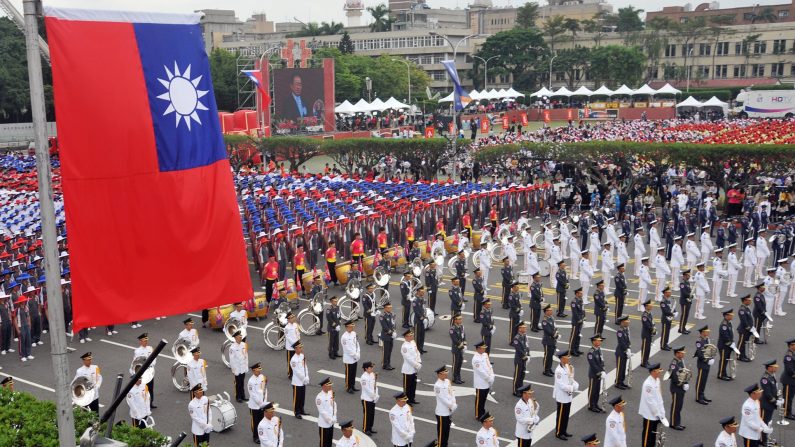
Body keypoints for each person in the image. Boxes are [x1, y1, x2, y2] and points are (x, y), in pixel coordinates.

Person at [639, 363, 669, 447]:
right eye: (658, 371)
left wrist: (662, 412)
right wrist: (658, 413)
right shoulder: (648, 384)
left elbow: (659, 397)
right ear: (653, 372)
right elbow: (650, 401)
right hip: (649, 414)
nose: (660, 373)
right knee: (647, 437)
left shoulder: (657, 380)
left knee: (653, 436)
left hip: (656, 414)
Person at [554, 350, 578, 440]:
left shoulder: (568, 367)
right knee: (561, 415)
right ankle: (559, 432)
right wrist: (572, 388)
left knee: (566, 414)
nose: (568, 359)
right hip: (562, 396)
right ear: (562, 359)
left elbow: (571, 378)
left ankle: (564, 430)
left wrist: (575, 384)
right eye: (566, 357)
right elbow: (561, 385)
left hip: (568, 395)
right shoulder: (558, 370)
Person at [434, 365, 457, 447]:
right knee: (441, 434)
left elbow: (452, 392)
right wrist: (451, 405)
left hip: (448, 411)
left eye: (446, 373)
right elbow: (442, 398)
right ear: (439, 375)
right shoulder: (437, 386)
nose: (446, 375)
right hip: (442, 412)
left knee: (447, 432)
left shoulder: (447, 381)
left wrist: (454, 402)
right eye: (444, 373)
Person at [759, 359, 781, 443]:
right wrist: (775, 401)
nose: (776, 368)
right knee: (763, 422)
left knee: (768, 421)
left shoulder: (771, 375)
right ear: (769, 368)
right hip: (766, 404)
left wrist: (777, 397)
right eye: (774, 367)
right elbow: (768, 394)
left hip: (770, 404)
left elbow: (774, 389)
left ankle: (766, 438)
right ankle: (762, 439)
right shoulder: (765, 379)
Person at [132, 333, 156, 408]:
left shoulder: (150, 348)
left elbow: (154, 358)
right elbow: (135, 362)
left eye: (146, 340)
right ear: (140, 341)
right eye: (144, 341)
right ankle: (143, 403)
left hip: (149, 371)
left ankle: (150, 403)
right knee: (143, 388)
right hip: (142, 372)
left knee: (150, 388)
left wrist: (151, 365)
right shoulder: (137, 351)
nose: (146, 342)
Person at [668, 346, 689, 431]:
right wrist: (682, 384)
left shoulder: (680, 361)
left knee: (679, 406)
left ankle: (677, 422)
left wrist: (686, 382)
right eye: (681, 353)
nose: (683, 354)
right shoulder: (674, 363)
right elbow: (675, 377)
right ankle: (673, 423)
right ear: (677, 354)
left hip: (681, 387)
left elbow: (684, 373)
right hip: (676, 388)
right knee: (675, 406)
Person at [473, 340, 495, 420]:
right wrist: (489, 378)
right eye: (482, 348)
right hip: (480, 382)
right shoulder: (476, 359)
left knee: (484, 398)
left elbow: (489, 365)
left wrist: (492, 374)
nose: (484, 349)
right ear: (478, 349)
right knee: (479, 399)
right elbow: (480, 371)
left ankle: (482, 412)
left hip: (487, 381)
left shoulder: (485, 355)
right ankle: (478, 415)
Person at [248, 362, 268, 443]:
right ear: (253, 371)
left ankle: (261, 435)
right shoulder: (251, 381)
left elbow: (265, 389)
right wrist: (260, 403)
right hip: (255, 406)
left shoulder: (262, 377)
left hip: (262, 404)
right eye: (257, 370)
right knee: (255, 422)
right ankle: (255, 436)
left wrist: (264, 401)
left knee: (262, 421)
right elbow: (253, 395)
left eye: (259, 370)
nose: (259, 371)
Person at [400, 329, 421, 404]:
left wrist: (419, 361)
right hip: (408, 369)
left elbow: (417, 352)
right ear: (406, 337)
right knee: (407, 387)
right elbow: (408, 358)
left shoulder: (413, 342)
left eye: (412, 335)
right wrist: (416, 364)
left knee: (413, 385)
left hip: (414, 368)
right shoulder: (404, 347)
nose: (412, 336)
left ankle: (412, 398)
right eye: (410, 336)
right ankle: (407, 400)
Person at [587, 334, 606, 413]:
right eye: (598, 340)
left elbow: (601, 361)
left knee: (597, 390)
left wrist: (603, 370)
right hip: (593, 374)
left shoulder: (598, 350)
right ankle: (591, 405)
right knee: (592, 390)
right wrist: (599, 372)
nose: (600, 342)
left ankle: (595, 404)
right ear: (594, 341)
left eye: (600, 341)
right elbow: (593, 364)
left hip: (599, 373)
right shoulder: (591, 352)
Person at [316, 377, 337, 447]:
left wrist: (334, 416)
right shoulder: (319, 397)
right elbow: (322, 411)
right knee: (323, 444)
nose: (331, 386)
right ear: (324, 386)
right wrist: (330, 420)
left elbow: (334, 405)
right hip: (324, 424)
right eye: (329, 385)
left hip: (331, 423)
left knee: (329, 442)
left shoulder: (330, 393)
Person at [290, 341, 309, 419]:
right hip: (297, 381)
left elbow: (305, 367)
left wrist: (307, 376)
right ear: (295, 349)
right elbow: (296, 371)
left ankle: (301, 409)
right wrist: (303, 378)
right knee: (297, 398)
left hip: (303, 380)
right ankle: (296, 412)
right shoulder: (293, 359)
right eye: (299, 348)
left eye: (301, 347)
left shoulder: (302, 356)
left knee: (302, 396)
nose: (301, 349)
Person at [229, 330, 249, 403]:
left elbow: (246, 356)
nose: (241, 337)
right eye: (239, 336)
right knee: (238, 383)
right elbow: (232, 360)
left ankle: (243, 396)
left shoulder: (244, 345)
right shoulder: (232, 347)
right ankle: (238, 397)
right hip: (237, 368)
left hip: (243, 367)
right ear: (235, 337)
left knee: (242, 382)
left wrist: (246, 366)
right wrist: (234, 370)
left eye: (241, 336)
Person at [512, 321, 530, 396]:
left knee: (522, 375)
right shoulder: (517, 338)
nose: (525, 328)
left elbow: (526, 346)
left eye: (525, 327)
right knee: (517, 376)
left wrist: (528, 354)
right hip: (519, 359)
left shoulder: (524, 336)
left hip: (524, 359)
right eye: (523, 327)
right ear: (519, 329)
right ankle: (515, 391)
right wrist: (525, 357)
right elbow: (518, 349)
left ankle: (520, 388)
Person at [717, 309, 736, 381]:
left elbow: (730, 334)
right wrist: (730, 343)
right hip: (724, 346)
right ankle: (721, 375)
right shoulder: (724, 325)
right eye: (730, 315)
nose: (732, 316)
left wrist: (732, 342)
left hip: (727, 345)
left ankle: (724, 373)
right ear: (726, 316)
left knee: (726, 360)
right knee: (723, 360)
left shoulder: (728, 323)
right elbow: (725, 336)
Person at [360, 361, 378, 435]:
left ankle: (370, 428)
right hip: (366, 398)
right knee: (367, 414)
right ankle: (365, 428)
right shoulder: (364, 377)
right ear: (366, 368)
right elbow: (366, 388)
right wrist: (373, 395)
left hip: (372, 398)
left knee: (372, 414)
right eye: (370, 367)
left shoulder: (372, 375)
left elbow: (375, 385)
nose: (372, 368)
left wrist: (376, 394)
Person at [615, 316, 631, 390]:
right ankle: (618, 382)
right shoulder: (620, 331)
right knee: (620, 368)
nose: (628, 321)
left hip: (624, 352)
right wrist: (626, 349)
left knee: (623, 368)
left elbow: (627, 340)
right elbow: (622, 342)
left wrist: (629, 348)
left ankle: (621, 381)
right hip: (621, 352)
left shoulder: (625, 330)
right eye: (626, 320)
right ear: (622, 322)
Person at [449, 313, 466, 384]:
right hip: (456, 349)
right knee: (455, 364)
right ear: (455, 320)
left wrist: (465, 343)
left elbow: (464, 336)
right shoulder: (452, 329)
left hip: (461, 349)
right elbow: (455, 339)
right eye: (459, 319)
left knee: (459, 364)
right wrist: (461, 345)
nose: (461, 320)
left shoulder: (461, 327)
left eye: (461, 319)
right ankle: (454, 378)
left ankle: (459, 377)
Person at [542, 304, 557, 377]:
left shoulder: (551, 318)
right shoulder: (545, 320)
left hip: (552, 340)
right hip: (547, 340)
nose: (551, 311)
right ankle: (546, 370)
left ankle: (549, 368)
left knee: (551, 356)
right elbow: (548, 331)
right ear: (546, 312)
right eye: (550, 310)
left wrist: (556, 334)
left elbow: (554, 328)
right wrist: (554, 335)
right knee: (547, 356)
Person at [379, 302, 396, 370]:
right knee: (385, 351)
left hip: (391, 336)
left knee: (389, 351)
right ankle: (384, 364)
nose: (390, 309)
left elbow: (393, 323)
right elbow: (385, 327)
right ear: (385, 308)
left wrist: (394, 331)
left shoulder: (391, 314)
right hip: (386, 336)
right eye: (389, 308)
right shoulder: (382, 316)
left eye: (391, 307)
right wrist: (392, 333)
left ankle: (388, 364)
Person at [781, 338, 795, 420]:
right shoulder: (788, 356)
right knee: (787, 397)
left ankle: (789, 411)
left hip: (792, 381)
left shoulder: (792, 354)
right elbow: (790, 370)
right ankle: (786, 413)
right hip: (789, 380)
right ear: (791, 346)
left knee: (790, 397)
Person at [570, 287, 585, 356]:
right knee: (574, 336)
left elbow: (582, 309)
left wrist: (584, 317)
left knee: (578, 336)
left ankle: (576, 349)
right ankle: (572, 350)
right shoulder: (574, 302)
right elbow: (575, 312)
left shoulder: (580, 300)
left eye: (581, 293)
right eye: (580, 293)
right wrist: (579, 319)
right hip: (576, 322)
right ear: (577, 294)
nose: (582, 294)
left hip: (580, 320)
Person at [412, 287, 428, 353]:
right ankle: (416, 349)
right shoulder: (415, 300)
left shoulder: (422, 299)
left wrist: (425, 317)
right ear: (418, 292)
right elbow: (416, 311)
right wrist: (421, 317)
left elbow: (423, 309)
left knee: (422, 335)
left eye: (423, 291)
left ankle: (421, 348)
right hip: (418, 320)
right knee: (417, 336)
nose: (423, 293)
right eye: (422, 292)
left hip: (423, 319)